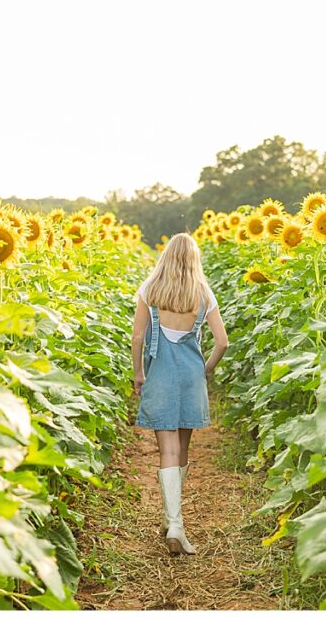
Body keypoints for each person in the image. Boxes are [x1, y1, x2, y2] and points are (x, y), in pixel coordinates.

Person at [130, 232, 229, 556]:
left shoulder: (150, 289)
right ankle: (173, 522)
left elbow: (137, 338)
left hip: (159, 373)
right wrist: (207, 369)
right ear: (193, 260)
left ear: (167, 257)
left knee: (166, 451)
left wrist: (139, 373)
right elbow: (222, 341)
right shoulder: (202, 292)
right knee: (182, 449)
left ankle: (173, 521)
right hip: (190, 375)